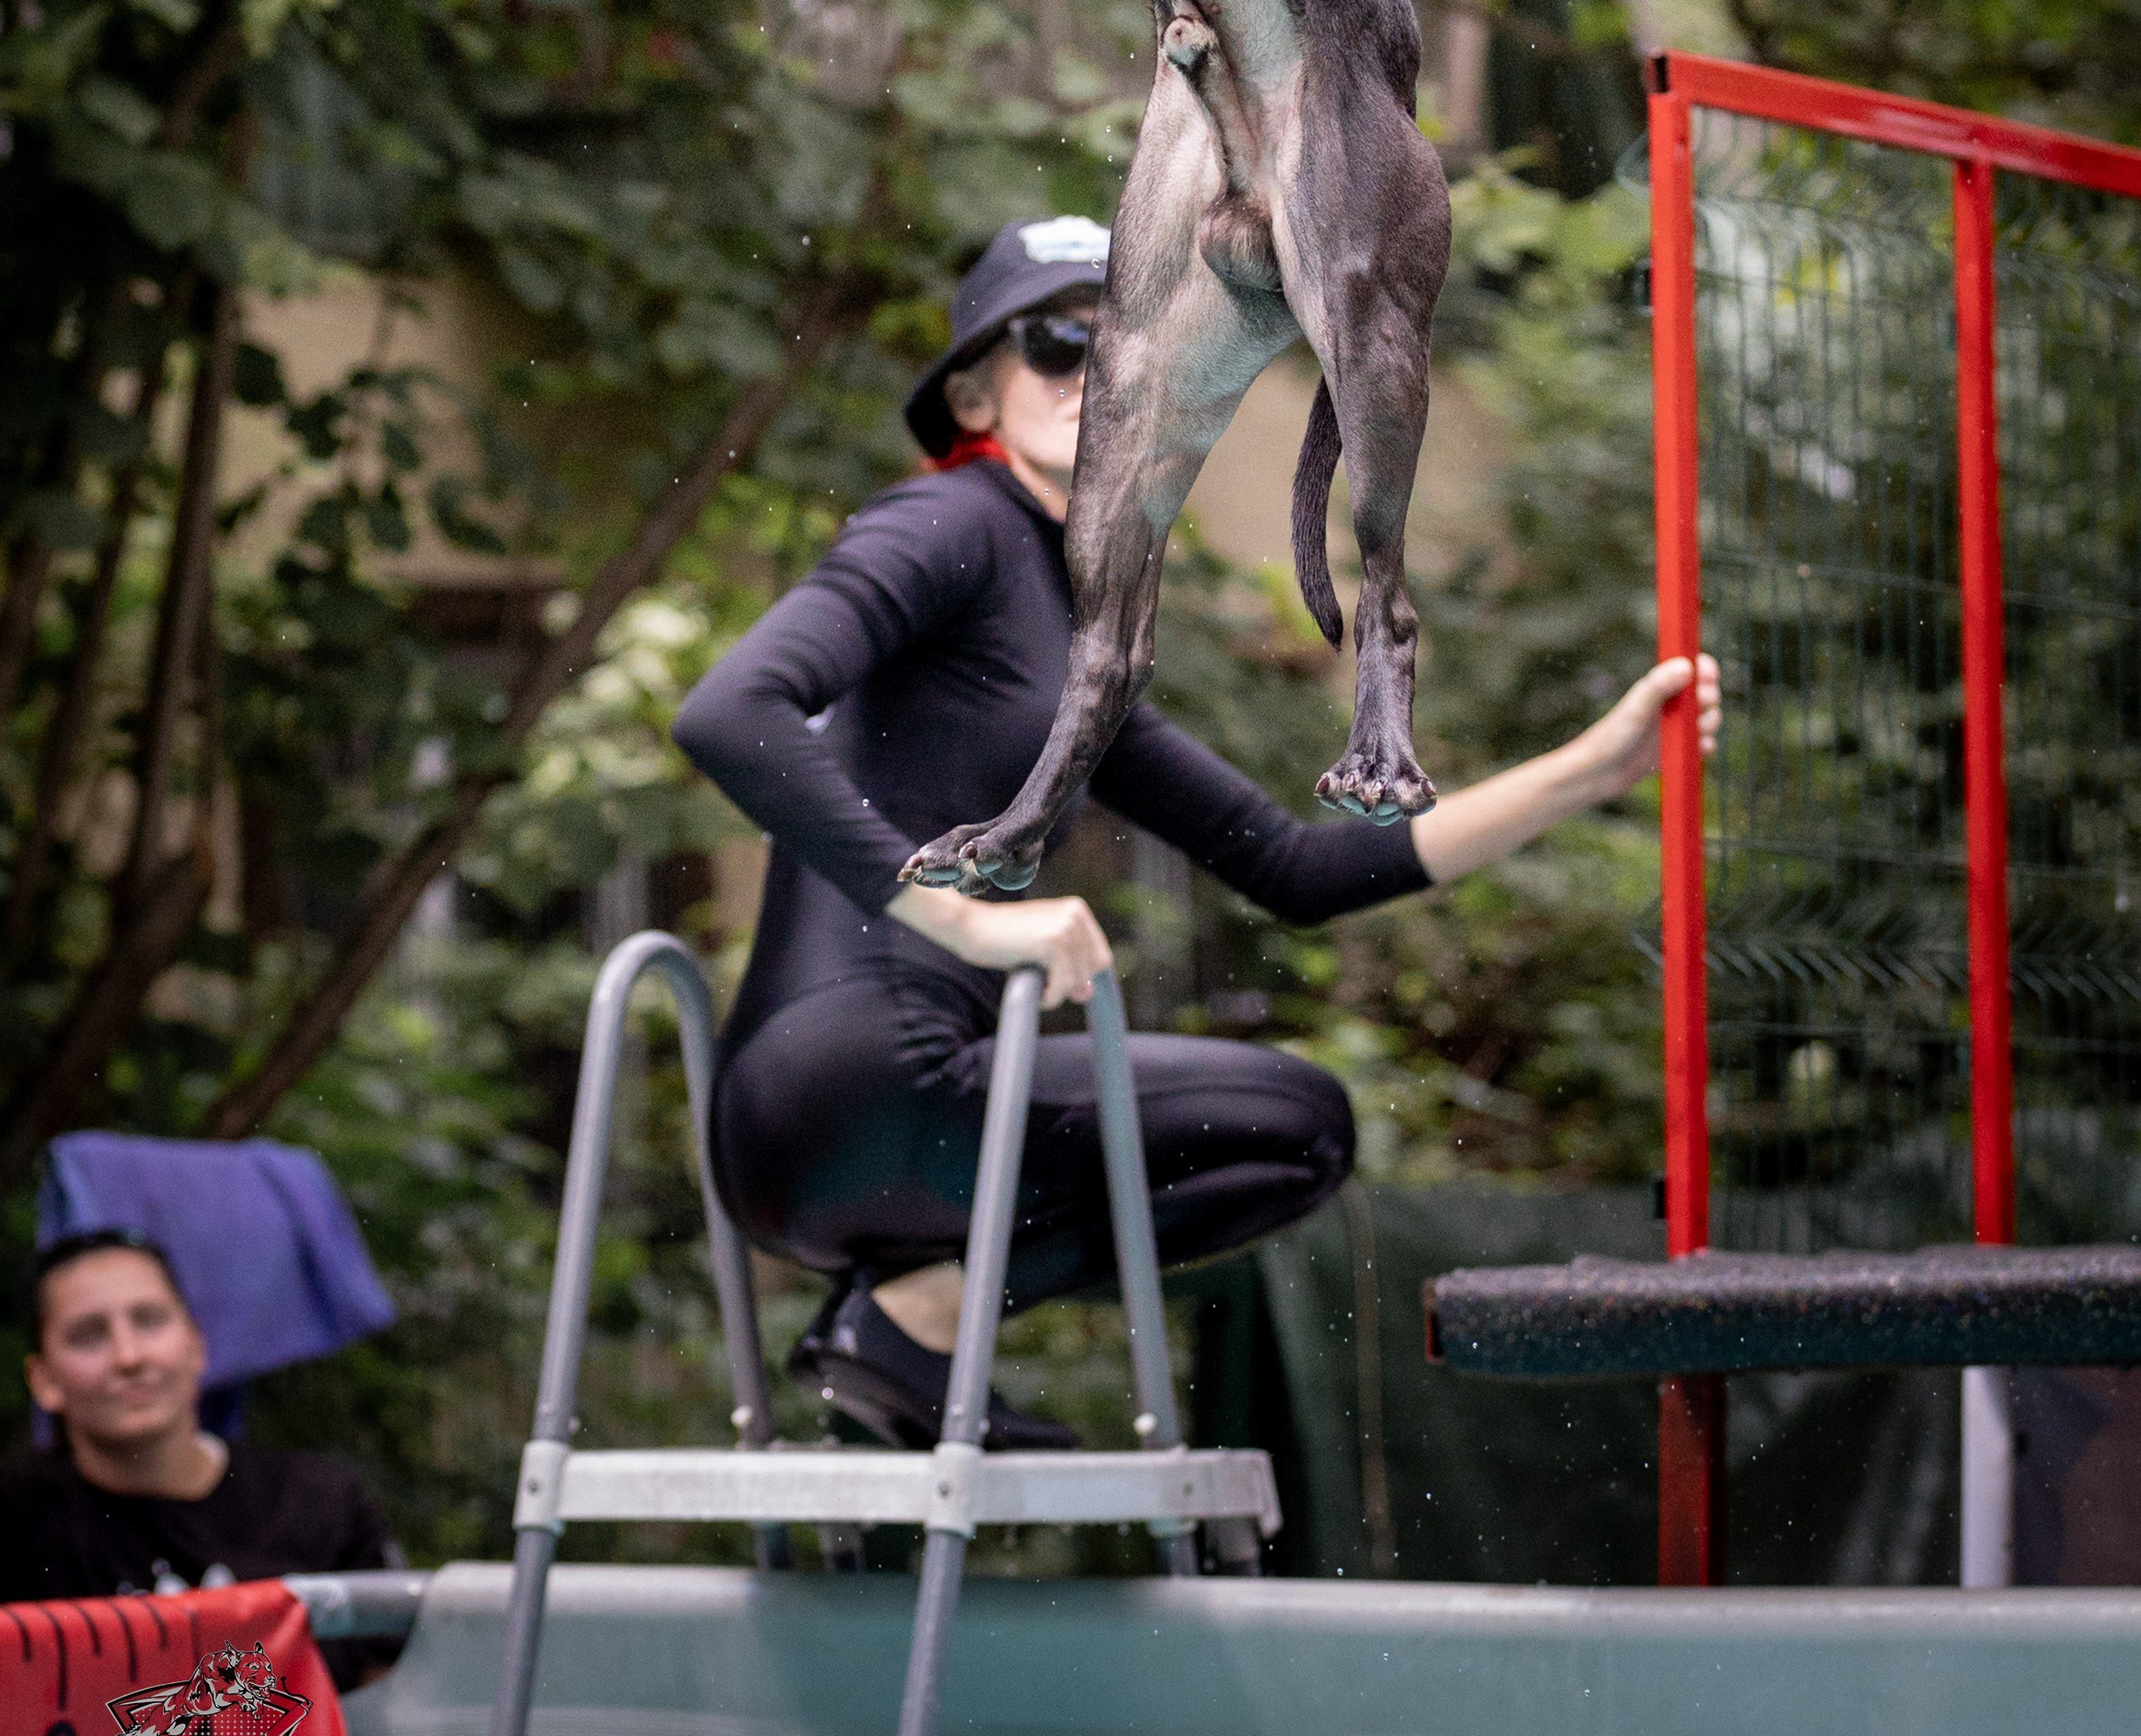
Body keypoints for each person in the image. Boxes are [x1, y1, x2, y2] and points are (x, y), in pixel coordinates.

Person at [677, 214, 1721, 1452]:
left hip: (859, 1142)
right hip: (858, 1087)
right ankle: (908, 1320)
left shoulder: (1078, 628)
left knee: (1295, 1139)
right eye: (1060, 345)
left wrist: (1592, 771)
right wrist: (954, 911)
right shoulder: (951, 525)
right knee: (1292, 1127)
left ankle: (911, 1318)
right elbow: (729, 710)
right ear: (975, 393)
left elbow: (1293, 868)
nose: (1098, 374)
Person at [0, 1228, 402, 1611]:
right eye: (89, 1335)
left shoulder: (320, 1504)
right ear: (44, 1380)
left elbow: (401, 1674)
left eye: (149, 1320)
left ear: (197, 1345)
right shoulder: (16, 1520)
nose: (129, 1357)